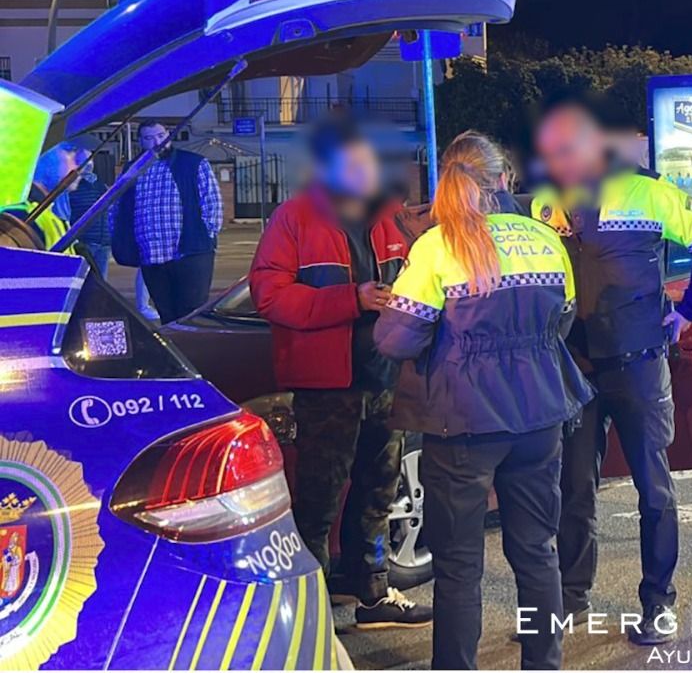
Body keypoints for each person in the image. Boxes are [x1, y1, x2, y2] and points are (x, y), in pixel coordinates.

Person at [375, 132, 593, 670]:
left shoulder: (436, 246)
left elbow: (394, 339)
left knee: (458, 567)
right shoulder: (544, 239)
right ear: (502, 180)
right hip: (540, 415)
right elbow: (562, 319)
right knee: (537, 553)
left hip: (463, 424)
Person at [535, 94, 692, 646]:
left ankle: (658, 602)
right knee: (573, 487)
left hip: (639, 362)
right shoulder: (547, 203)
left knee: (653, 489)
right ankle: (573, 597)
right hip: (575, 366)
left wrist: (690, 310)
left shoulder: (646, 191)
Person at [247, 118, 429, 629]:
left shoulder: (392, 218)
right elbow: (270, 295)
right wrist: (351, 299)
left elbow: (422, 279)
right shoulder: (295, 219)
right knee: (318, 500)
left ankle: (370, 593)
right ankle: (310, 610)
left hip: (386, 379)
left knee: (378, 491)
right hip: (329, 386)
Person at [111, 120, 223, 322]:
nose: (157, 141)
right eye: (149, 138)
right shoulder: (132, 170)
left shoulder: (193, 163)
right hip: (151, 257)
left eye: (161, 135)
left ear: (169, 135)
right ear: (140, 142)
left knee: (192, 313)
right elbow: (117, 208)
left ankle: (194, 353)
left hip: (189, 253)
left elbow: (212, 202)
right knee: (167, 314)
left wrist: (206, 234)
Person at [68, 149, 112, 275]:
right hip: (86, 241)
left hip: (104, 242)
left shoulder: (100, 184)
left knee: (101, 282)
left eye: (90, 160)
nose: (88, 164)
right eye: (84, 160)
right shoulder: (73, 186)